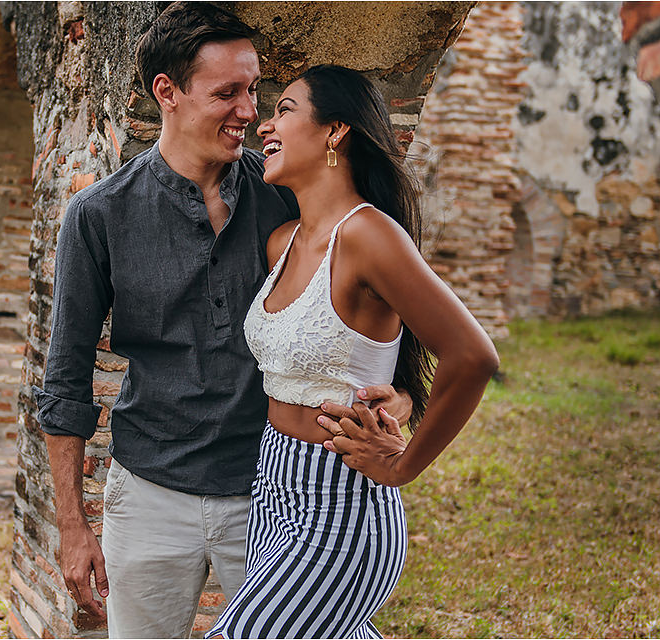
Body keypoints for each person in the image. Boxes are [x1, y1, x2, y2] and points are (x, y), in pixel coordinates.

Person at [31, 4, 414, 638]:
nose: (249, 110)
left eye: (255, 89)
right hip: (148, 492)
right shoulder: (98, 216)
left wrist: (395, 402)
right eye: (227, 92)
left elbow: (379, 322)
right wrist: (73, 525)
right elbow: (65, 383)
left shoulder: (288, 200)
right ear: (167, 93)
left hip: (272, 502)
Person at [206, 65, 501, 639]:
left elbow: (472, 355)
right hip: (273, 488)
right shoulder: (282, 241)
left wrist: (403, 463)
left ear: (335, 132)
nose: (266, 124)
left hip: (343, 503)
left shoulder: (367, 235)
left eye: (284, 110)